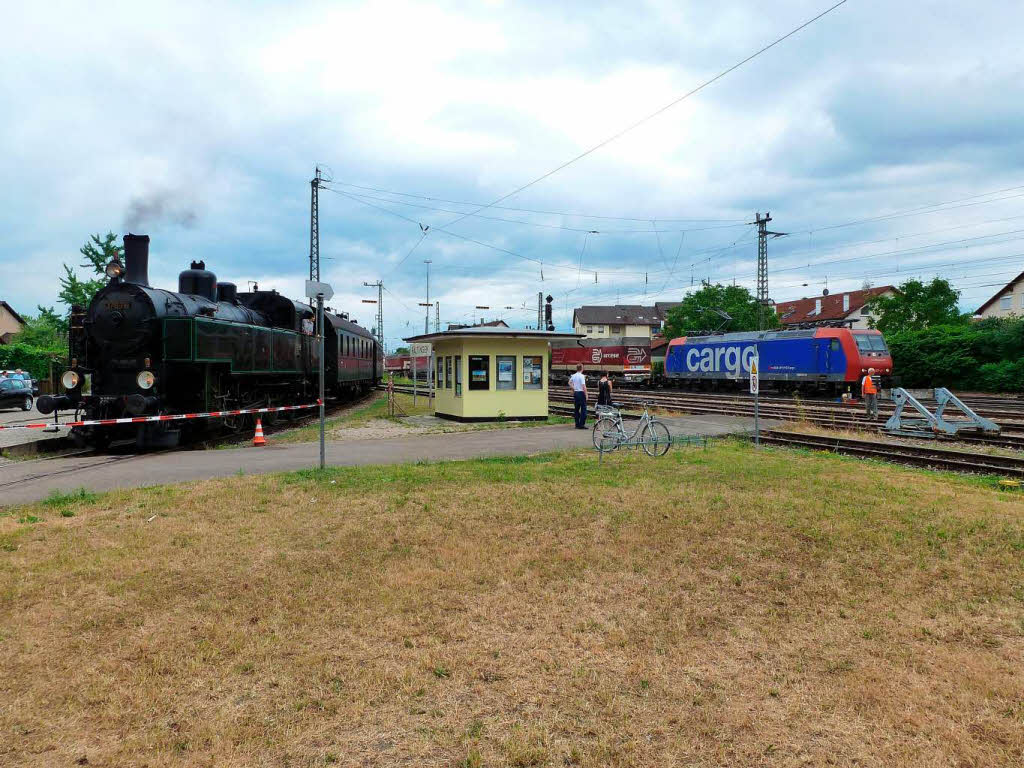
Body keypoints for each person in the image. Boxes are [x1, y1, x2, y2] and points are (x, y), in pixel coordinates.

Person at [569, 363, 588, 429]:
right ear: (582, 368)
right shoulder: (582, 376)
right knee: (583, 409)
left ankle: (577, 424)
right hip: (581, 393)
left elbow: (569, 382)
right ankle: (581, 424)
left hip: (576, 393)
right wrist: (586, 394)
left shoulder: (573, 375)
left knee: (576, 409)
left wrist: (573, 388)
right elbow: (583, 386)